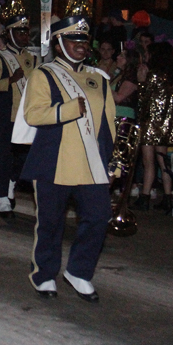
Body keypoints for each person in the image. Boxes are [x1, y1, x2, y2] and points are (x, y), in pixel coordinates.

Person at [14, 16, 116, 302]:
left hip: (90, 163)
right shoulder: (43, 75)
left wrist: (112, 158)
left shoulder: (99, 78)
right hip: (53, 160)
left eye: (85, 41)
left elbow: (108, 123)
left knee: (98, 217)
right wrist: (68, 109)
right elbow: (34, 115)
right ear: (59, 45)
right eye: (75, 41)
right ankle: (44, 275)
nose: (82, 47)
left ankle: (79, 271)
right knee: (50, 223)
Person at [0, 0, 38, 217]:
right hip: (5, 114)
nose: (24, 36)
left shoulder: (32, 59)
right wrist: (11, 80)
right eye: (20, 32)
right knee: (3, 156)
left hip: (26, 116)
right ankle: (3, 197)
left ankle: (12, 181)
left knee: (25, 157)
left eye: (26, 32)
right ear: (10, 34)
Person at [132, 42, 173, 210]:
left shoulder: (153, 75)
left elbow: (143, 102)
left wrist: (141, 83)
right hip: (165, 123)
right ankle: (168, 196)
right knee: (162, 161)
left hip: (150, 122)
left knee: (148, 162)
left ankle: (144, 196)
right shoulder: (172, 76)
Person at [110, 46, 143, 119]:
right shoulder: (120, 75)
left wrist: (102, 85)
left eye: (122, 56)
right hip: (114, 114)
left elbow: (119, 97)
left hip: (123, 116)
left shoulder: (131, 78)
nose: (118, 57)